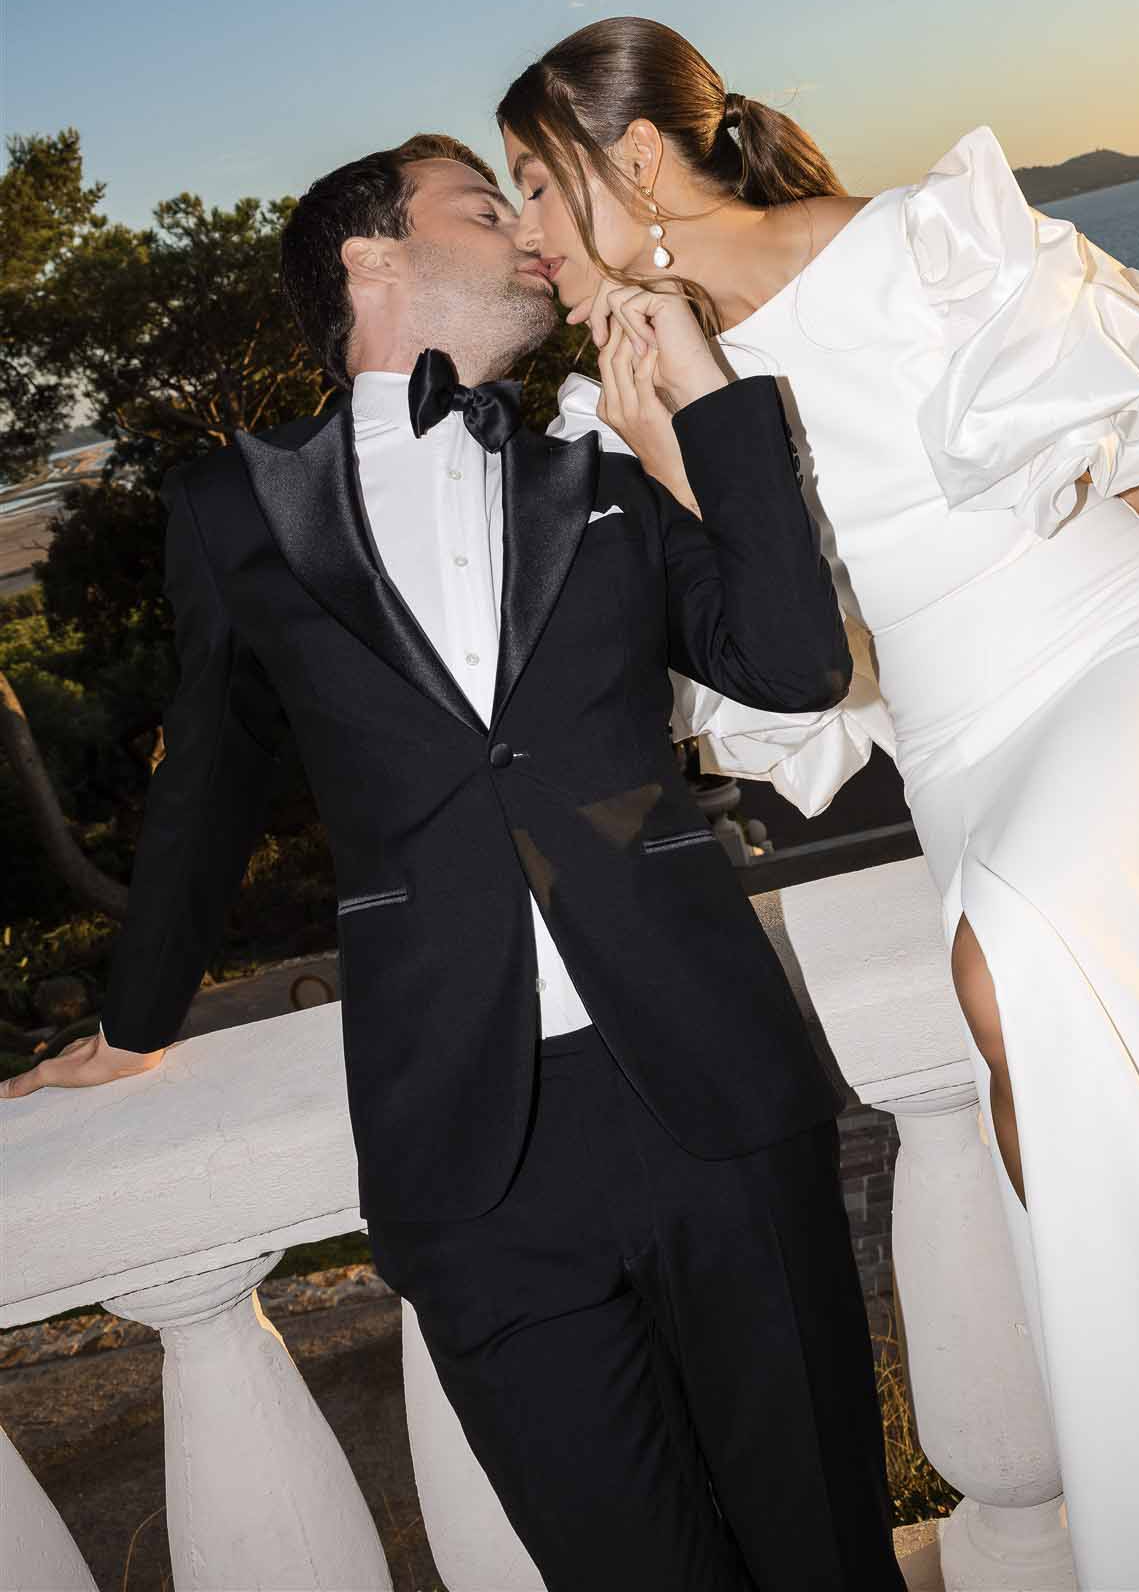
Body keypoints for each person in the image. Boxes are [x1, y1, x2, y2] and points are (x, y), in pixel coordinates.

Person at [497, 19, 1139, 1592]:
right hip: (961, 733)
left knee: (1010, 956)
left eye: (535, 188)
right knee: (1051, 1027)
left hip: (1129, 643)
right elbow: (809, 666)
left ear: (630, 158)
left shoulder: (912, 243)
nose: (529, 237)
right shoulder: (625, 384)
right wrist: (674, 448)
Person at [0, 133, 907, 1592]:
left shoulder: (599, 466)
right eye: (483, 207)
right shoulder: (235, 507)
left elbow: (796, 666)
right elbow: (212, 779)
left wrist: (705, 394)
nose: (528, 233)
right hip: (464, 1152)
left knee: (823, 1559)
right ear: (371, 257)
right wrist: (135, 1016)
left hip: (717, 1100)